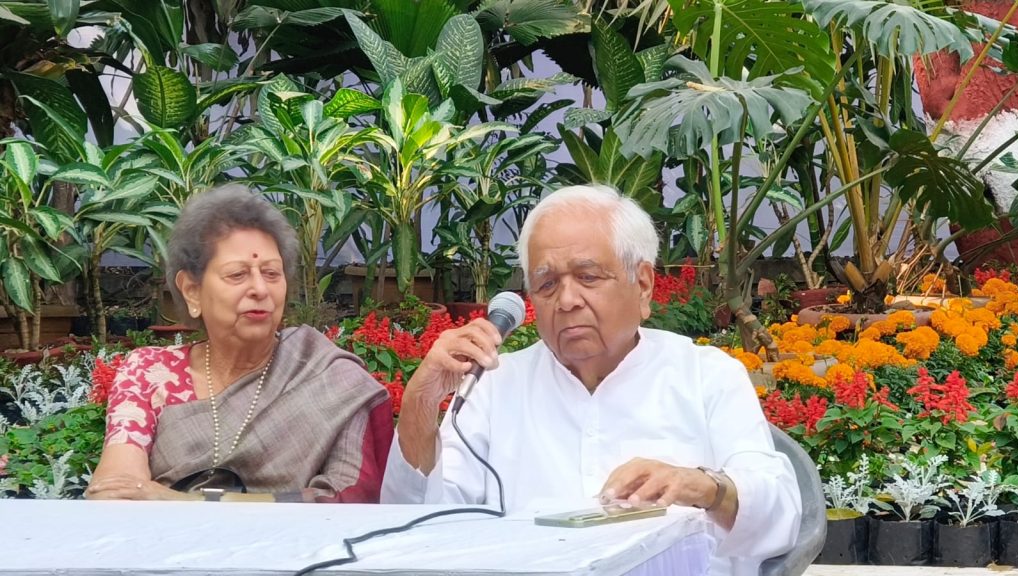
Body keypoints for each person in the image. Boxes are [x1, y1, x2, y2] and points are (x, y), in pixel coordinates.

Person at [382, 184, 800, 574]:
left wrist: (705, 487)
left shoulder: (705, 375)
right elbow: (419, 528)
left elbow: (780, 514)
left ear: (643, 285)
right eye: (547, 284)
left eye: (588, 277)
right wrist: (420, 403)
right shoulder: (495, 385)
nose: (566, 301)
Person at [86, 185, 393, 503]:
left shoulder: (331, 379)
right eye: (237, 274)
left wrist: (187, 502)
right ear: (192, 291)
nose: (260, 289)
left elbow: (347, 501)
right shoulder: (150, 373)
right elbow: (116, 490)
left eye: (272, 273)